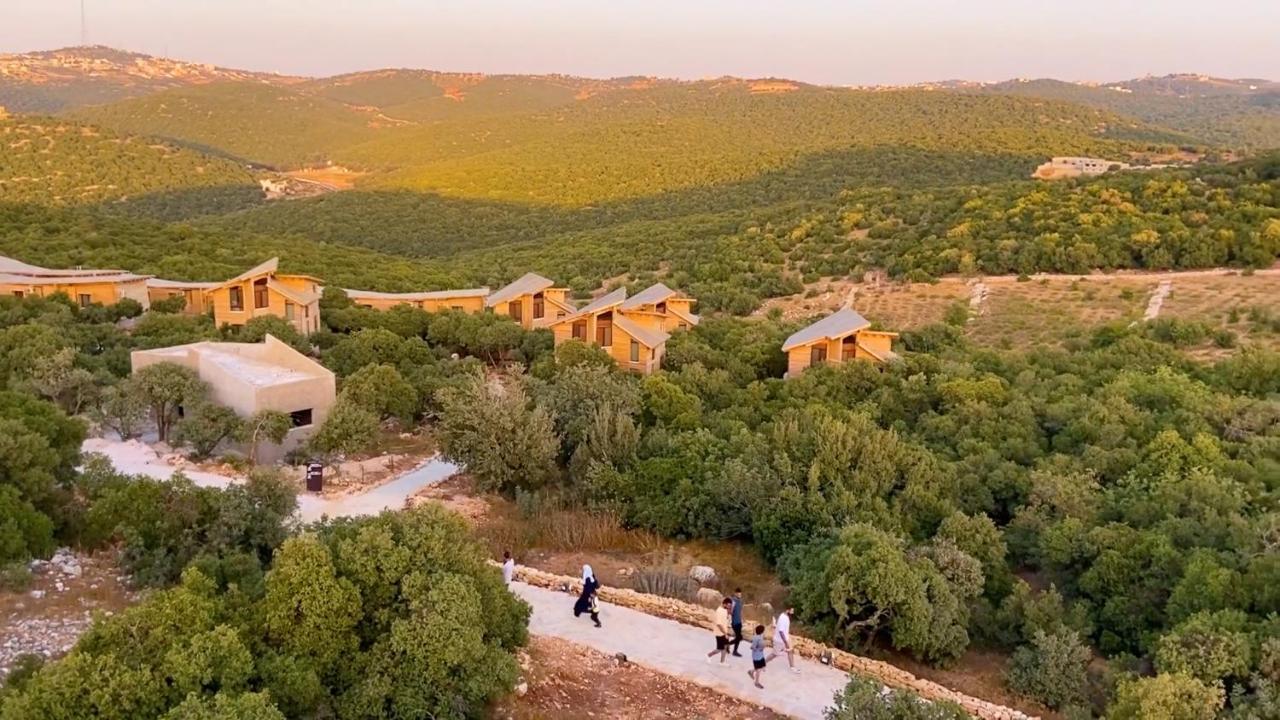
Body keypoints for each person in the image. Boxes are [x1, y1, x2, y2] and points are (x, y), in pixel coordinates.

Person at [765, 607, 800, 673]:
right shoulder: (783, 618)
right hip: (779, 640)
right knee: (774, 655)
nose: (793, 612)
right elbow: (781, 631)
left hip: (785, 638)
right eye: (792, 611)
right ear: (787, 610)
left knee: (790, 651)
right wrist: (786, 642)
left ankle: (792, 667)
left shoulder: (786, 616)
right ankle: (762, 663)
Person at [705, 597, 733, 664]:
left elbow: (726, 619)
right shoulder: (719, 611)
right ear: (724, 604)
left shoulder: (725, 610)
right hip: (719, 633)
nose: (729, 607)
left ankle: (722, 662)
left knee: (725, 646)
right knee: (720, 648)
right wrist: (725, 634)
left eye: (730, 606)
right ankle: (708, 655)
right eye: (728, 606)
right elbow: (719, 624)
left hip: (724, 632)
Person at [747, 624, 767, 689]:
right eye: (764, 631)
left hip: (760, 655)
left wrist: (762, 647)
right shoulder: (757, 638)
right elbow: (752, 647)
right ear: (762, 632)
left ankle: (751, 672)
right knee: (759, 670)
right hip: (757, 657)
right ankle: (756, 683)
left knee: (761, 667)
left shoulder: (759, 636)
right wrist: (758, 648)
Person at [729, 588, 745, 656]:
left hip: (739, 622)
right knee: (739, 637)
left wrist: (742, 619)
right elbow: (730, 611)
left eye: (740, 594)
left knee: (739, 637)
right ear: (735, 593)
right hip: (735, 622)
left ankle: (734, 650)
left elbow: (741, 611)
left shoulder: (740, 601)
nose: (739, 595)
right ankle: (727, 645)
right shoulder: (733, 601)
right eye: (738, 593)